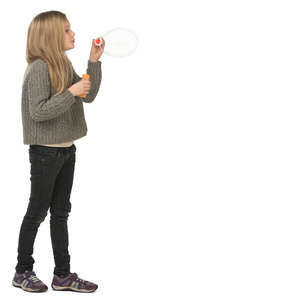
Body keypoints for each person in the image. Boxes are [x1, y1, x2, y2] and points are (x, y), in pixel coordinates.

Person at [12, 10, 104, 293]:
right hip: (45, 154)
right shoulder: (40, 67)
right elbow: (38, 112)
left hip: (66, 151)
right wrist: (71, 92)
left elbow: (88, 94)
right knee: (37, 211)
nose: (73, 33)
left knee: (61, 212)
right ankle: (22, 271)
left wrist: (93, 61)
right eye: (67, 30)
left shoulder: (63, 63)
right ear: (50, 36)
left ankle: (62, 275)